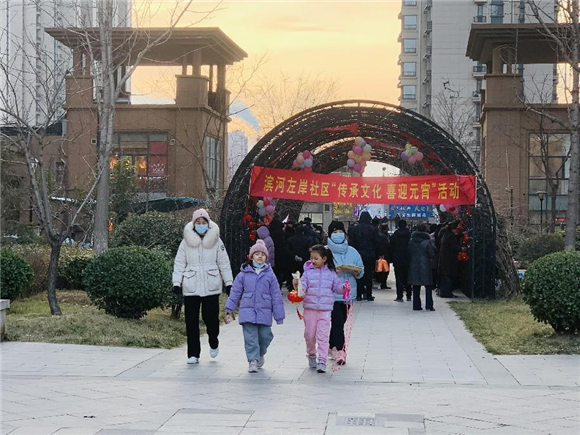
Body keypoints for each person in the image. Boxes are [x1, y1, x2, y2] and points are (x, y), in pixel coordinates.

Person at [173, 208, 233, 364]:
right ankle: (193, 354)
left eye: (203, 222)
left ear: (208, 223)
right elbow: (179, 263)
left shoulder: (217, 241)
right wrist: (176, 282)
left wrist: (229, 283)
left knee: (211, 319)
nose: (201, 225)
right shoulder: (185, 242)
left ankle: (213, 340)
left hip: (211, 285)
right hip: (191, 286)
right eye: (198, 222)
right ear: (193, 224)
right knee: (191, 322)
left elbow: (224, 263)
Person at [225, 240, 285, 373]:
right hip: (247, 311)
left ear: (266, 257)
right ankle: (252, 360)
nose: (259, 256)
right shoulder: (243, 274)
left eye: (262, 254)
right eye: (257, 254)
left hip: (264, 311)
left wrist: (279, 315)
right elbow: (235, 292)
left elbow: (276, 295)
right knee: (250, 338)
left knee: (265, 336)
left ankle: (260, 353)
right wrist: (229, 307)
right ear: (251, 256)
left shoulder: (270, 275)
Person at [295, 244, 342, 373]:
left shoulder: (331, 274)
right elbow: (302, 287)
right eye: (311, 258)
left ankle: (322, 360)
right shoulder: (307, 273)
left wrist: (344, 288)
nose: (313, 261)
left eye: (316, 258)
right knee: (309, 335)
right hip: (309, 309)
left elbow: (337, 288)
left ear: (324, 259)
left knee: (323, 336)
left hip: (325, 310)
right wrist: (298, 286)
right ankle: (311, 354)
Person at [326, 221, 364, 365]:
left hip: (348, 294)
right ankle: (340, 351)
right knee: (338, 321)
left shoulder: (353, 251)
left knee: (341, 321)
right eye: (335, 232)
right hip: (331, 294)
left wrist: (356, 271)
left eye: (340, 232)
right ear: (330, 234)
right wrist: (333, 272)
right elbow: (316, 270)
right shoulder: (325, 252)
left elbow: (361, 270)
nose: (338, 235)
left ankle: (331, 346)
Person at [348, 211, 379, 301]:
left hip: (357, 254)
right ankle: (368, 294)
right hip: (370, 255)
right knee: (369, 275)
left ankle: (359, 294)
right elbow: (377, 242)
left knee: (358, 274)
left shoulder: (355, 229)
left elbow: (351, 242)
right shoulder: (373, 229)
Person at [407, 224, 436, 311]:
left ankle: (416, 305)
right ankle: (429, 305)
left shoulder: (411, 241)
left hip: (414, 264)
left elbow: (409, 251)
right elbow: (431, 253)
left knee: (416, 285)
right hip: (425, 264)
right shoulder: (427, 241)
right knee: (428, 285)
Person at [389, 220, 412, 302]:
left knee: (399, 278)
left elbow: (390, 248)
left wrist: (391, 258)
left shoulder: (394, 236)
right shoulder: (410, 235)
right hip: (408, 259)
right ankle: (409, 295)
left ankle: (399, 296)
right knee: (408, 277)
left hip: (397, 259)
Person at [438, 221, 461, 298]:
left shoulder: (446, 235)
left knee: (445, 276)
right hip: (449, 260)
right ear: (453, 229)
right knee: (448, 276)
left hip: (444, 259)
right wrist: (461, 249)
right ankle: (447, 292)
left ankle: (443, 292)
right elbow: (454, 247)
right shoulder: (451, 237)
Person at [269, 218, 287, 286]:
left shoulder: (270, 234)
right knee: (279, 273)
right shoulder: (282, 234)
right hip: (281, 256)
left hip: (272, 255)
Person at [377, 223, 391, 289]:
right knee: (385, 270)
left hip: (381, 254)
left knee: (381, 269)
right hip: (384, 254)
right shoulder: (384, 236)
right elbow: (387, 245)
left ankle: (382, 282)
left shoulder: (380, 235)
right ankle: (383, 283)